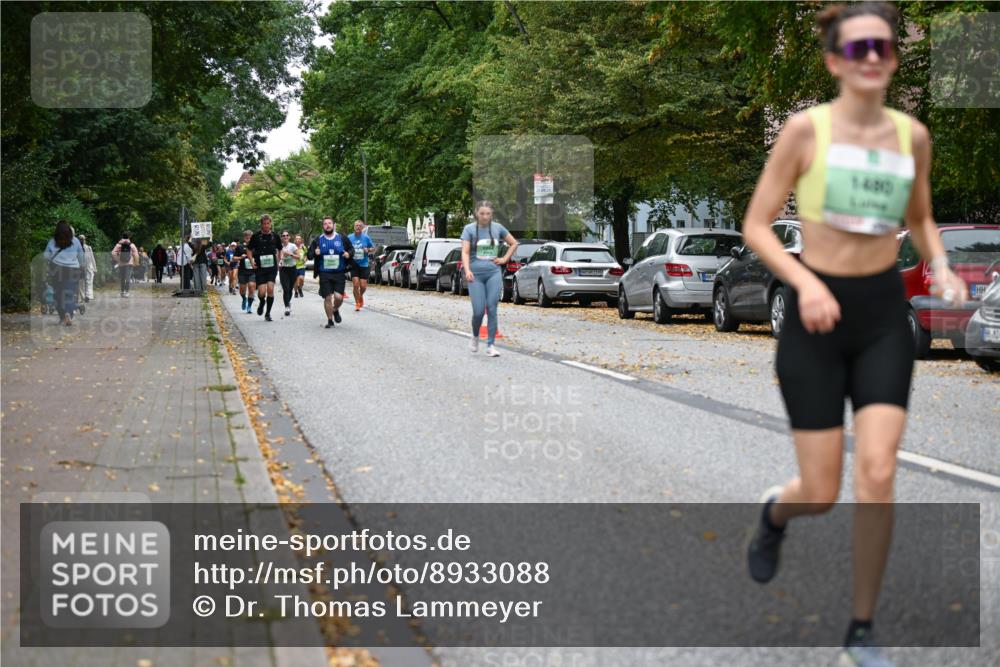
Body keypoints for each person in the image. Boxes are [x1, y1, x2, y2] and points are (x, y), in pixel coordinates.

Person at [740, 5, 968, 667]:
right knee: (821, 489)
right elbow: (757, 225)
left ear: (893, 58)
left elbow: (920, 217)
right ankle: (775, 517)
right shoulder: (804, 132)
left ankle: (861, 631)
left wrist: (945, 262)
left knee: (876, 471)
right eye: (858, 46)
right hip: (814, 314)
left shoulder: (911, 137)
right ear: (837, 61)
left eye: (885, 46)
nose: (873, 56)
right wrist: (803, 281)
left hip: (878, 316)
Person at [460, 200, 518, 357]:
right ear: (476, 214)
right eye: (482, 214)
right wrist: (467, 270)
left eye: (488, 214)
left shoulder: (498, 228)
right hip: (475, 275)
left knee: (492, 308)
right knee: (478, 311)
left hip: (493, 273)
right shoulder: (469, 229)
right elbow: (465, 252)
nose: (485, 217)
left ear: (492, 214)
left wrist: (504, 259)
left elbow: (514, 243)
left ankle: (491, 345)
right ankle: (475, 335)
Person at [308, 217, 353, 328]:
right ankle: (329, 320)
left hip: (339, 272)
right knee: (327, 297)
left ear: (333, 225)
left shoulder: (342, 238)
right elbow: (309, 256)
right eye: (325, 224)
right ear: (323, 226)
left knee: (338, 297)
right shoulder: (318, 240)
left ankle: (335, 309)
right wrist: (315, 252)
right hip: (324, 273)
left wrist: (348, 254)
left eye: (329, 223)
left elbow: (352, 249)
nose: (327, 225)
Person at [44, 220, 84, 326]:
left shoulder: (52, 241)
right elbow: (81, 257)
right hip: (73, 269)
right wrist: (81, 267)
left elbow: (46, 256)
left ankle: (62, 317)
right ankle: (68, 313)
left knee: (58, 294)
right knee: (69, 294)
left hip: (57, 269)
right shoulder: (76, 241)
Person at [247, 214, 280, 321]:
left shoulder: (275, 236)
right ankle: (262, 302)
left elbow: (280, 249)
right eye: (264, 224)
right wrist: (252, 262)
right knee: (261, 292)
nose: (266, 226)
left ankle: (268, 313)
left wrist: (279, 260)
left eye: (268, 223)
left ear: (270, 224)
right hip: (260, 268)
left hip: (272, 267)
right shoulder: (256, 236)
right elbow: (249, 250)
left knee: (270, 289)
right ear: (261, 224)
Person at [347, 219, 375, 311]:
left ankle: (360, 296)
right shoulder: (349, 237)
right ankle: (357, 303)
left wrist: (368, 250)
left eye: (359, 225)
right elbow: (345, 248)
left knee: (363, 286)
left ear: (362, 227)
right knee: (355, 284)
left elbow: (373, 248)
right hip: (353, 264)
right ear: (354, 227)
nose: (358, 227)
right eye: (356, 225)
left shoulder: (366, 238)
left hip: (364, 264)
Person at [278, 230, 302, 317]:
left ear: (289, 237)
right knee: (285, 288)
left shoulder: (293, 246)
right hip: (283, 269)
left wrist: (290, 254)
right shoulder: (280, 246)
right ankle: (287, 307)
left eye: (287, 235)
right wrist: (280, 261)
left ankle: (288, 302)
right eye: (283, 235)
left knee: (290, 289)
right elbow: (278, 257)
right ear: (281, 237)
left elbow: (299, 257)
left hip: (292, 269)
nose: (285, 237)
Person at [233, 230, 256, 313]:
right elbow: (233, 258)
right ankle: (244, 299)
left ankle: (249, 306)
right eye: (247, 238)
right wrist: (240, 258)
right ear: (244, 238)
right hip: (242, 271)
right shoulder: (240, 247)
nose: (249, 240)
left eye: (250, 238)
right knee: (242, 290)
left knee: (251, 286)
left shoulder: (256, 247)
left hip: (253, 271)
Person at [111, 233, 138, 297]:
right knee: (128, 278)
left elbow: (113, 253)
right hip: (129, 263)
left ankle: (122, 292)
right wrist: (135, 261)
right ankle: (127, 292)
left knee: (122, 278)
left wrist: (118, 259)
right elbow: (136, 254)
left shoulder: (118, 245)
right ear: (128, 237)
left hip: (121, 263)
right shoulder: (132, 245)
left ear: (122, 237)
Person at [77, 234, 97, 302]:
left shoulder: (88, 248)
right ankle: (82, 296)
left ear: (85, 240)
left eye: (83, 239)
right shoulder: (76, 248)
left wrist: (94, 268)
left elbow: (92, 258)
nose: (82, 240)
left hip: (88, 267)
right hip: (79, 267)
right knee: (81, 282)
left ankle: (88, 295)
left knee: (88, 281)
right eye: (80, 239)